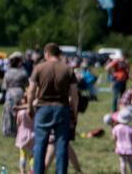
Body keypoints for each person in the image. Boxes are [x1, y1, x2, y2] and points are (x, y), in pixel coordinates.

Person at [27, 43, 78, 174]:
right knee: (61, 145)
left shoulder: (38, 68)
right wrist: (74, 112)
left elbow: (31, 90)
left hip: (43, 109)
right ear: (59, 54)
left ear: (46, 54)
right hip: (62, 108)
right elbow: (74, 94)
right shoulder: (68, 69)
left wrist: (29, 107)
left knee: (40, 146)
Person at [3, 52, 29, 137]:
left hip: (9, 92)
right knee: (18, 112)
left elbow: (4, 85)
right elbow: (27, 85)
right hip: (19, 92)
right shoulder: (23, 73)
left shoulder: (7, 72)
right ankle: (19, 130)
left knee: (8, 112)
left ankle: (8, 130)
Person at [15, 95, 35, 174]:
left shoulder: (20, 112)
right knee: (32, 155)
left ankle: (22, 170)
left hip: (22, 136)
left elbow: (18, 123)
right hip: (33, 135)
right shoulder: (34, 111)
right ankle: (32, 170)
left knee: (23, 154)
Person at [112, 108, 132, 174]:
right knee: (131, 162)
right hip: (129, 148)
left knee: (122, 162)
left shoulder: (116, 128)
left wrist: (116, 144)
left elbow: (114, 138)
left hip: (120, 147)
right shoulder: (131, 129)